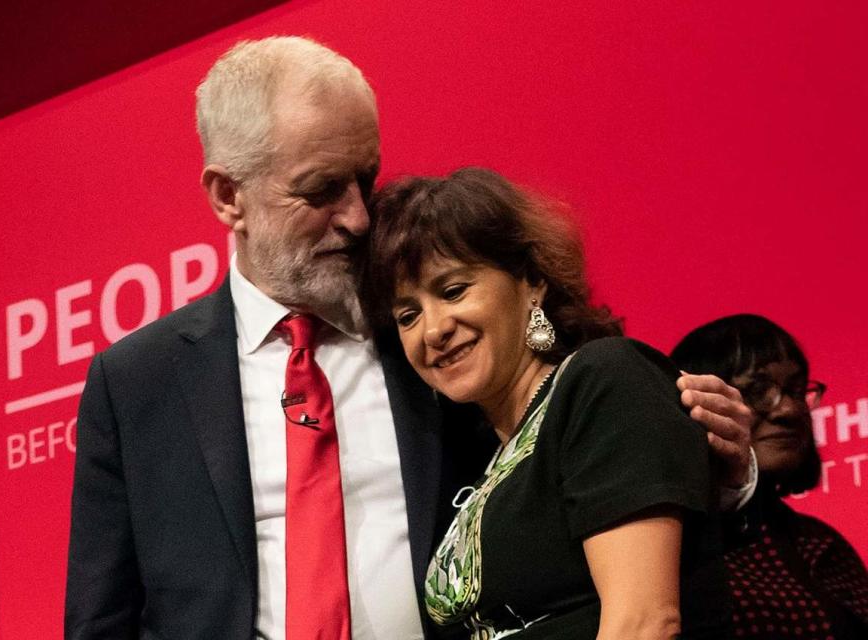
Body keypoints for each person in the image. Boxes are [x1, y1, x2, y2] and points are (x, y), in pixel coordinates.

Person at [65, 37, 753, 639]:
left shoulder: (438, 347)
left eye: (366, 178)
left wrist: (724, 469)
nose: (360, 218)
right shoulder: (136, 384)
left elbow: (585, 463)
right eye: (322, 189)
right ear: (228, 197)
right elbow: (102, 619)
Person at [360, 167, 735, 639]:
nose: (433, 330)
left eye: (453, 290)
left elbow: (643, 622)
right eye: (408, 315)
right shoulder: (473, 458)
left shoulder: (603, 380)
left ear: (532, 280)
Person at [671, 314, 868, 639]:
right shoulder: (669, 539)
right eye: (757, 390)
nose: (788, 410)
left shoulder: (821, 543)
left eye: (796, 389)